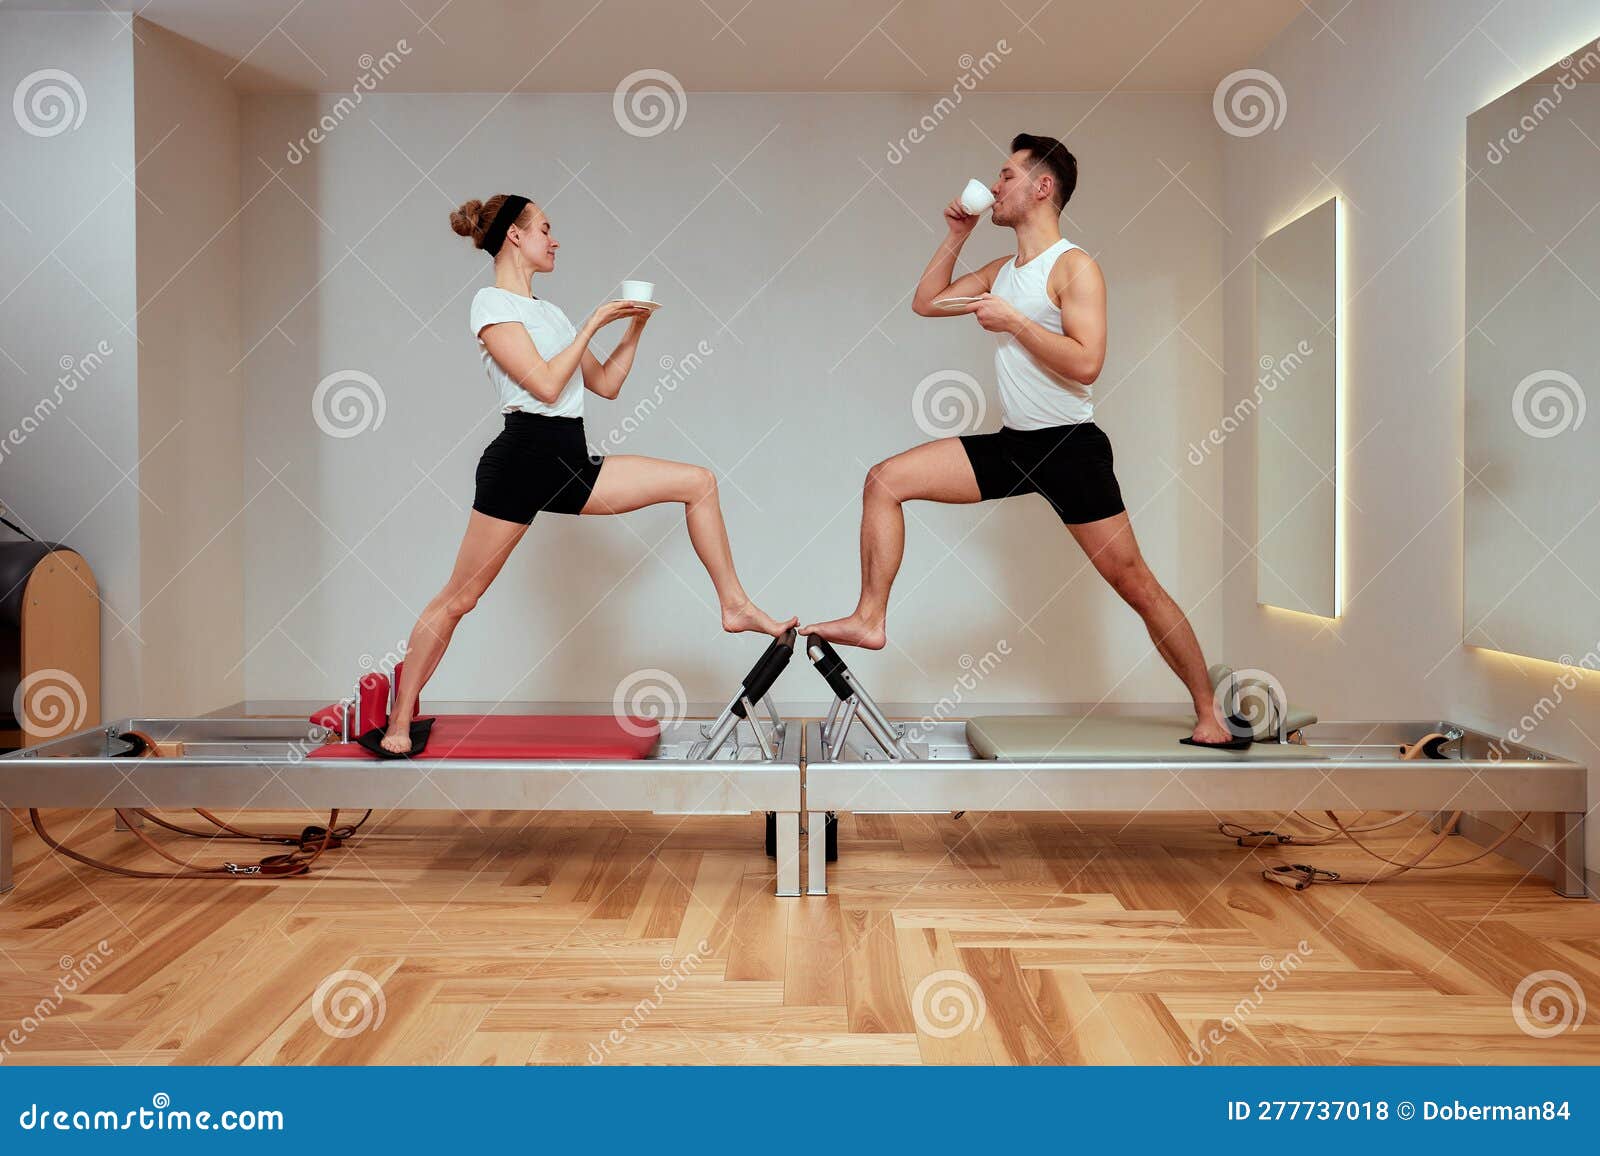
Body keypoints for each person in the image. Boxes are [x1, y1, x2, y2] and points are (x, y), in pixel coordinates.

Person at [803, 136, 1233, 746]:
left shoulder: (1073, 266)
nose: (995, 186)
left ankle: (1209, 712)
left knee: (1134, 580)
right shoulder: (1002, 272)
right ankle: (871, 617)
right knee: (884, 481)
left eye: (1005, 176)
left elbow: (1087, 365)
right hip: (1016, 446)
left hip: (1070, 447)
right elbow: (926, 303)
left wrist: (1016, 321)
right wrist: (957, 233)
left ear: (1042, 186)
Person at [382, 194, 795, 754]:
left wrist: (634, 329)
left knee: (697, 482)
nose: (554, 240)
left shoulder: (550, 313)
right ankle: (400, 720)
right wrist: (596, 320)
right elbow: (546, 386)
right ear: (514, 237)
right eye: (545, 229)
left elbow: (606, 384)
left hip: (570, 459)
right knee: (459, 599)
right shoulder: (490, 303)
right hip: (522, 459)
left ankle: (734, 604)